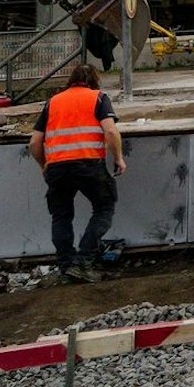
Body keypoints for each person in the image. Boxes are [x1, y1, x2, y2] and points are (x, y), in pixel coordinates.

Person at [29, 63, 126, 282]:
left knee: (61, 216)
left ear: (70, 80)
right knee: (104, 208)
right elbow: (110, 131)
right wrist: (118, 158)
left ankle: (66, 266)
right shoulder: (98, 98)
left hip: (57, 167)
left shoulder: (53, 102)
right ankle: (83, 262)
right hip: (88, 164)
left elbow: (35, 142)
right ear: (95, 81)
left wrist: (44, 165)